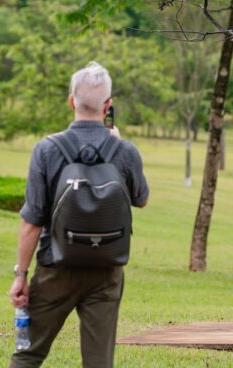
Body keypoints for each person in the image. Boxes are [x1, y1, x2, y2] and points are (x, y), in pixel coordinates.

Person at [9, 61, 149, 367]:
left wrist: (20, 274)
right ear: (108, 105)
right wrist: (117, 144)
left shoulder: (46, 150)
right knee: (99, 363)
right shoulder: (125, 151)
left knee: (28, 355)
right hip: (106, 272)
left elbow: (32, 221)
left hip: (54, 268)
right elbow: (141, 200)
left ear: (71, 100)